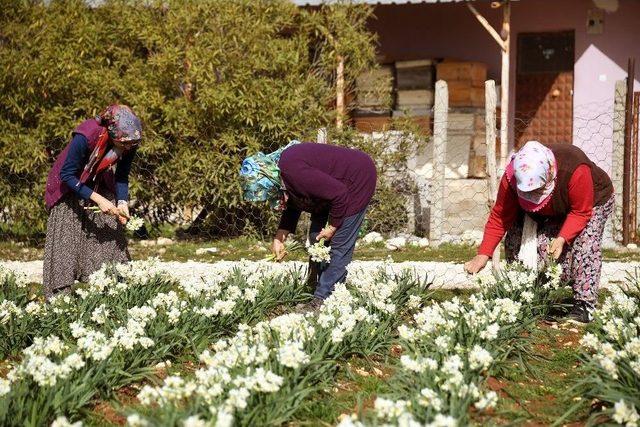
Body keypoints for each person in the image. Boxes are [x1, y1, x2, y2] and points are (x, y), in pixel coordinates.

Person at [464, 140, 614, 323]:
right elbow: (500, 217)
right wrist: (483, 254)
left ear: (550, 174)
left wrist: (562, 238)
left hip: (592, 201)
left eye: (538, 192)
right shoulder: (512, 177)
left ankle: (584, 304)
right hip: (555, 208)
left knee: (585, 242)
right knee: (533, 243)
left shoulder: (575, 170)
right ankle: (528, 292)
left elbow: (580, 212)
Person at [240, 141, 377, 310]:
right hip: (332, 193)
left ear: (268, 181)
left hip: (356, 180)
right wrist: (279, 238)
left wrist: (333, 227)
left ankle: (325, 301)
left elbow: (340, 194)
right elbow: (294, 203)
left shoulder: (294, 172)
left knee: (339, 245)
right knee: (316, 238)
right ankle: (316, 289)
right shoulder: (282, 173)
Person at [43, 105, 142, 300]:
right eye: (123, 144)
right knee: (66, 243)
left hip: (98, 181)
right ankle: (59, 301)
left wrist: (122, 202)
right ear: (111, 132)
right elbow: (67, 174)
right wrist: (98, 199)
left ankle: (113, 294)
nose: (127, 148)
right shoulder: (86, 135)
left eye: (130, 145)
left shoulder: (129, 139)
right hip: (68, 185)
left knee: (111, 234)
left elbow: (121, 176)